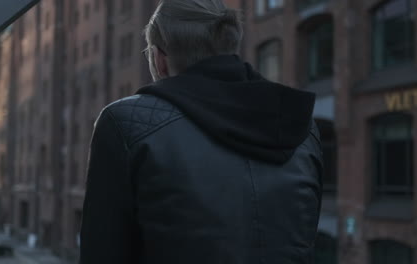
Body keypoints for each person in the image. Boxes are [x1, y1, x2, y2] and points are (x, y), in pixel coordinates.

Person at [79, 0, 323, 263]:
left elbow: (101, 252)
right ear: (230, 47)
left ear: (159, 59)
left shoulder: (125, 124)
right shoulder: (302, 128)